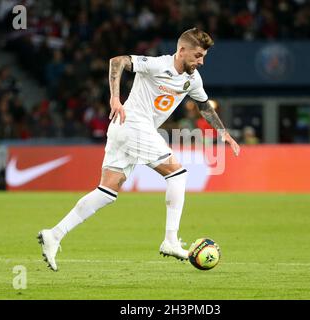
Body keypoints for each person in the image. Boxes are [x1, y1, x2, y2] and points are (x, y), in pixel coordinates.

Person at [37, 28, 240, 271]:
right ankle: (171, 240)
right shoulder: (157, 65)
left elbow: (204, 105)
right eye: (197, 55)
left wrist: (223, 132)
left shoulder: (193, 79)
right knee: (178, 174)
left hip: (125, 130)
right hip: (133, 124)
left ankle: (55, 234)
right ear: (182, 50)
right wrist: (115, 98)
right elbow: (118, 61)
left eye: (204, 56)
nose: (201, 61)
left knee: (106, 192)